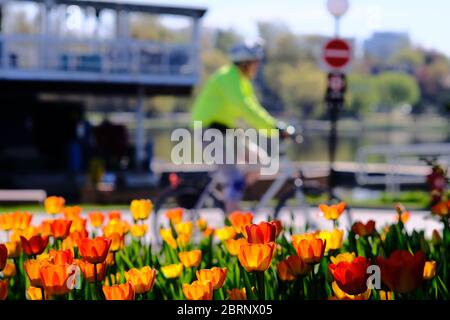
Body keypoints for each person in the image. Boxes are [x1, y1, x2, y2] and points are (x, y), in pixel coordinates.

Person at [191, 38, 283, 213]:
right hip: (208, 131)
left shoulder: (242, 81)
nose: (258, 67)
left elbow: (255, 108)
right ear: (245, 63)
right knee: (235, 180)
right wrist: (274, 129)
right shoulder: (228, 77)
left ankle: (231, 196)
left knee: (260, 160)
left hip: (226, 131)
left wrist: (275, 127)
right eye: (256, 63)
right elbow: (245, 108)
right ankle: (234, 230)